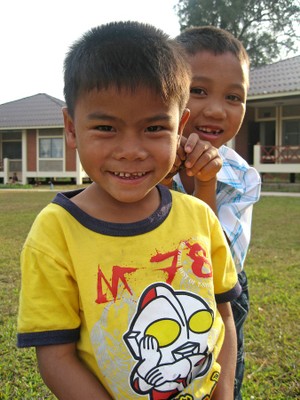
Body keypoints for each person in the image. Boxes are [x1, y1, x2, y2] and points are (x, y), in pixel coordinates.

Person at [17, 21, 241, 400]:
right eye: (106, 127)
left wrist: (223, 392)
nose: (131, 150)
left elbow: (224, 316)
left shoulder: (199, 217)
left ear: (180, 126)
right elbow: (56, 356)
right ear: (71, 128)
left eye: (154, 128)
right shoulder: (56, 233)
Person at [167, 26, 261, 400]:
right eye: (199, 90)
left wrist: (205, 184)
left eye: (234, 97)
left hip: (219, 297)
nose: (216, 109)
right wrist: (160, 177)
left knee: (218, 385)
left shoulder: (241, 179)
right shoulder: (145, 160)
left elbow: (212, 264)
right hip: (151, 291)